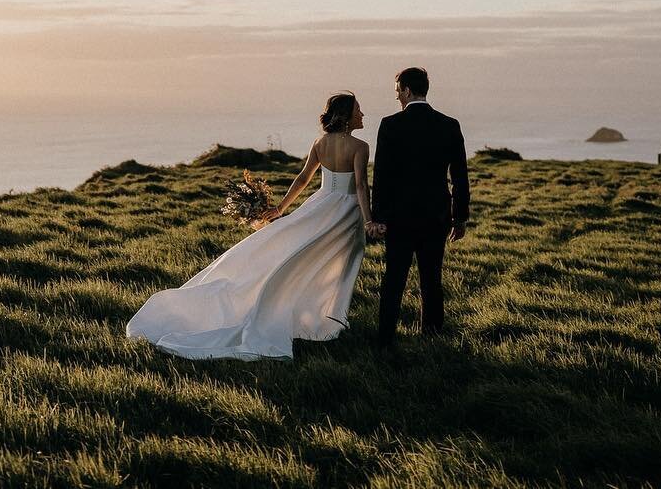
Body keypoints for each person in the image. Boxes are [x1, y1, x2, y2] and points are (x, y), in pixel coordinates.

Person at [125, 93, 373, 360]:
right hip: (345, 211)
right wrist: (369, 219)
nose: (362, 114)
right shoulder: (360, 146)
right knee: (339, 262)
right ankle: (324, 321)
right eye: (358, 110)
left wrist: (281, 209)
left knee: (310, 257)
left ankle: (321, 317)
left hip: (319, 204)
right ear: (346, 117)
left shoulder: (320, 142)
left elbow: (303, 178)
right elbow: (359, 186)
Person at [370, 66, 469, 341]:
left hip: (399, 216)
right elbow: (460, 176)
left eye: (397, 92)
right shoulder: (449, 125)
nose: (397, 98)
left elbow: (382, 176)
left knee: (394, 279)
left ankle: (385, 338)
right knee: (431, 279)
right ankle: (432, 336)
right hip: (436, 215)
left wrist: (378, 216)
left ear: (407, 89)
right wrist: (459, 217)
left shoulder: (390, 125)